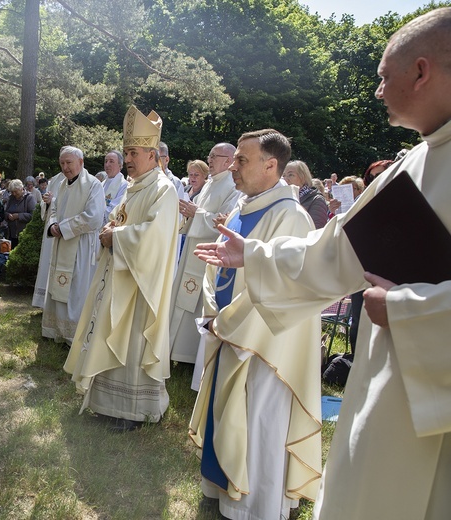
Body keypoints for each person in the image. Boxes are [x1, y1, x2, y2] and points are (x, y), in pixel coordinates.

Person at [193, 9, 451, 519]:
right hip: (393, 378)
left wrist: (411, 310)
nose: (377, 92)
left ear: (421, 72)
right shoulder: (414, 163)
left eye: (382, 77)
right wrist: (254, 255)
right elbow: (335, 251)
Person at [189, 129, 321, 520]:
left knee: (259, 421)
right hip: (228, 331)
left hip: (266, 347)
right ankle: (222, 489)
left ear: (271, 165)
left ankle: (256, 507)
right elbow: (217, 270)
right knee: (226, 413)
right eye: (232, 160)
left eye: (241, 160)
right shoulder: (238, 210)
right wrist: (213, 312)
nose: (233, 168)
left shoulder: (291, 216)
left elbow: (281, 290)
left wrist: (224, 323)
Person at [63, 106, 179, 432]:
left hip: (142, 284)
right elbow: (121, 219)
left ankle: (133, 411)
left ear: (153, 155)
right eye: (126, 152)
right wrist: (110, 230)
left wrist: (116, 235)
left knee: (132, 342)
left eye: (134, 152)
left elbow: (154, 237)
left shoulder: (163, 190)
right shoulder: (134, 186)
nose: (127, 158)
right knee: (110, 334)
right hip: (119, 275)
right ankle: (107, 404)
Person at [169, 145, 239, 371]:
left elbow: (224, 222)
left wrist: (195, 213)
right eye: (209, 156)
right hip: (192, 248)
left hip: (209, 253)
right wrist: (190, 213)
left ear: (228, 160)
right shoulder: (210, 182)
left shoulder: (233, 185)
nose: (209, 160)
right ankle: (176, 350)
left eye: (213, 157)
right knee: (183, 298)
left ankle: (189, 355)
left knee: (197, 300)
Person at [41, 146, 105, 344]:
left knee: (76, 289)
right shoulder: (61, 185)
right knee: (59, 287)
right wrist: (52, 225)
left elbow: (94, 218)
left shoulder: (94, 185)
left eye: (69, 163)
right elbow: (54, 209)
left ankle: (73, 334)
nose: (65, 167)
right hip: (62, 243)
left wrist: (64, 227)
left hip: (81, 246)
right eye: (62, 163)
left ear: (81, 162)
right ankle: (57, 330)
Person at [32, 171, 65, 308]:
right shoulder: (54, 180)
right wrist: (46, 202)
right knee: (47, 262)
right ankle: (44, 301)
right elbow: (45, 205)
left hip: (64, 228)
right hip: (51, 225)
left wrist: (53, 200)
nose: (65, 166)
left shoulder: (82, 180)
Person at [282, 160, 330, 228]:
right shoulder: (284, 198)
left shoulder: (316, 200)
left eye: (291, 175)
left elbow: (317, 231)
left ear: (303, 177)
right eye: (283, 175)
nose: (285, 179)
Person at [4, 178, 36, 249]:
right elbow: (5, 212)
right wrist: (8, 215)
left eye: (15, 191)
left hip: (25, 234)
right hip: (12, 234)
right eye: (12, 192)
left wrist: (18, 216)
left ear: (21, 189)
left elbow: (33, 215)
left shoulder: (29, 198)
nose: (14, 194)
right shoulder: (11, 198)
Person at [101, 150, 127, 224]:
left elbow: (114, 209)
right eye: (106, 161)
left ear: (120, 165)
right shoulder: (102, 183)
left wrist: (95, 212)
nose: (107, 164)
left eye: (111, 161)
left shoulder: (124, 185)